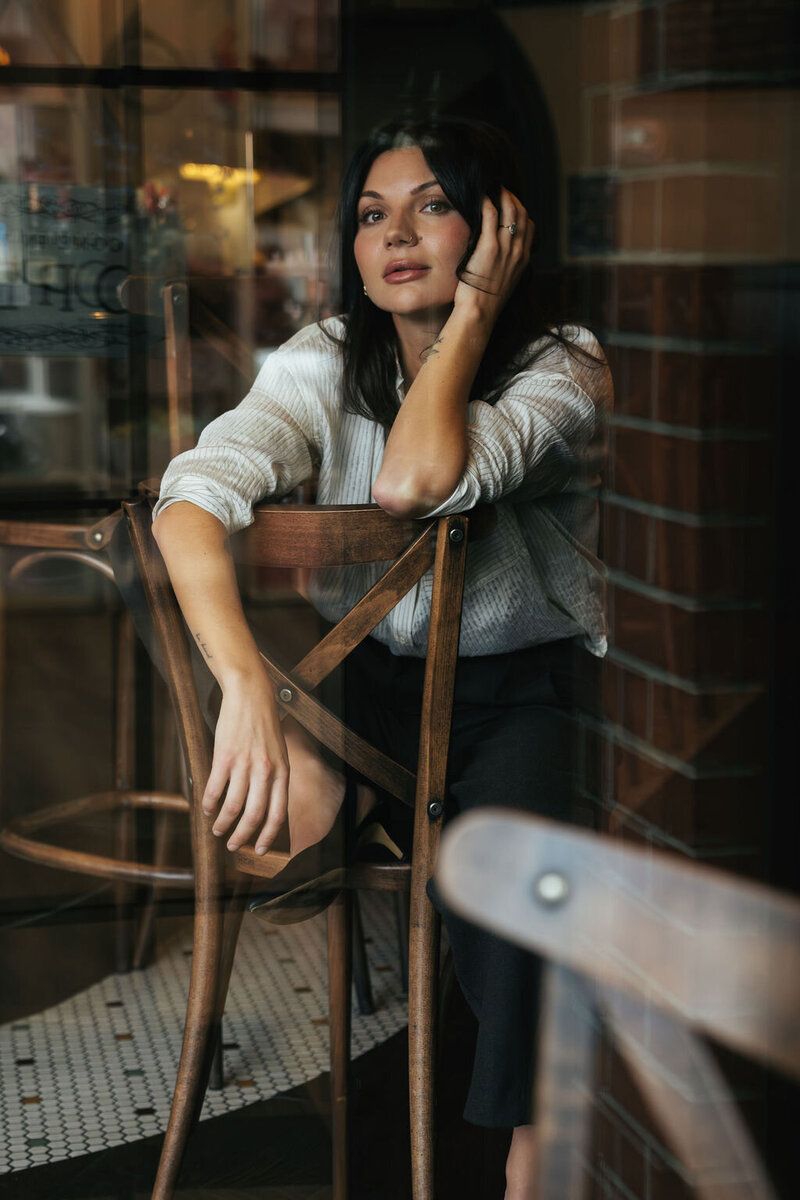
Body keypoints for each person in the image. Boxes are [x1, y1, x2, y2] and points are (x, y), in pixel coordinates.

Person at [152, 115, 612, 1200]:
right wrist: (246, 689)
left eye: (431, 205)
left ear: (496, 228)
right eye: (371, 215)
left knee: (507, 885)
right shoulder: (322, 358)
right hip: (362, 677)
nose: (396, 233)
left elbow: (416, 481)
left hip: (520, 690)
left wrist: (475, 318)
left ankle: (528, 1153)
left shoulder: (566, 364)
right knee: (266, 830)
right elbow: (189, 506)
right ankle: (382, 843)